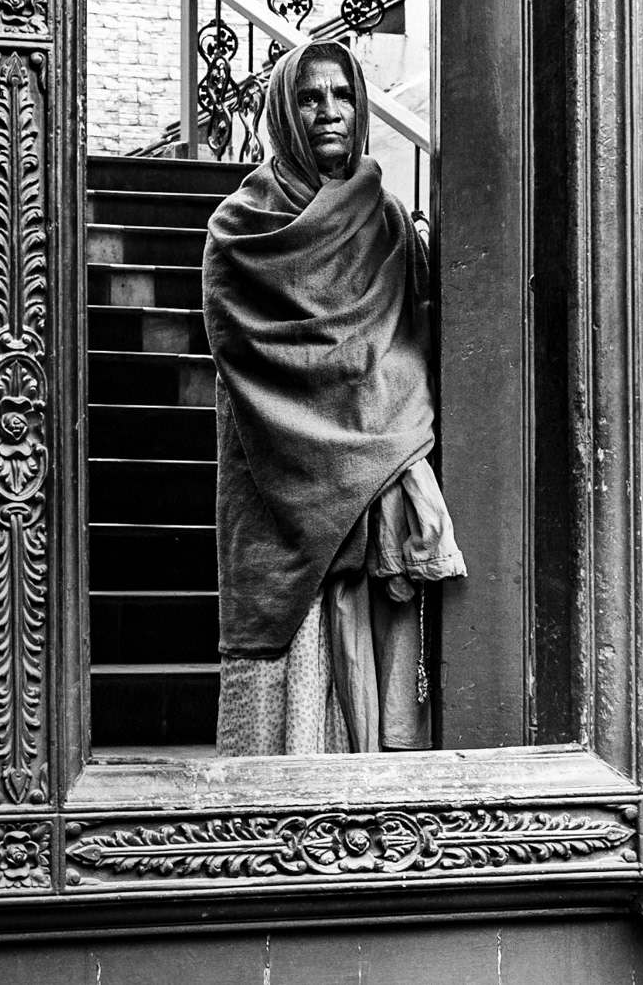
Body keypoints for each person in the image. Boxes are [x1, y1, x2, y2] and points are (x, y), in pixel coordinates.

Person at [202, 40, 465, 756]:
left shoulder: (389, 222)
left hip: (378, 492)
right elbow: (249, 358)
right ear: (284, 113)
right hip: (281, 485)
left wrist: (381, 422)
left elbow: (409, 351)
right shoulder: (239, 228)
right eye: (309, 97)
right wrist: (360, 415)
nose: (328, 111)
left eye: (343, 95)